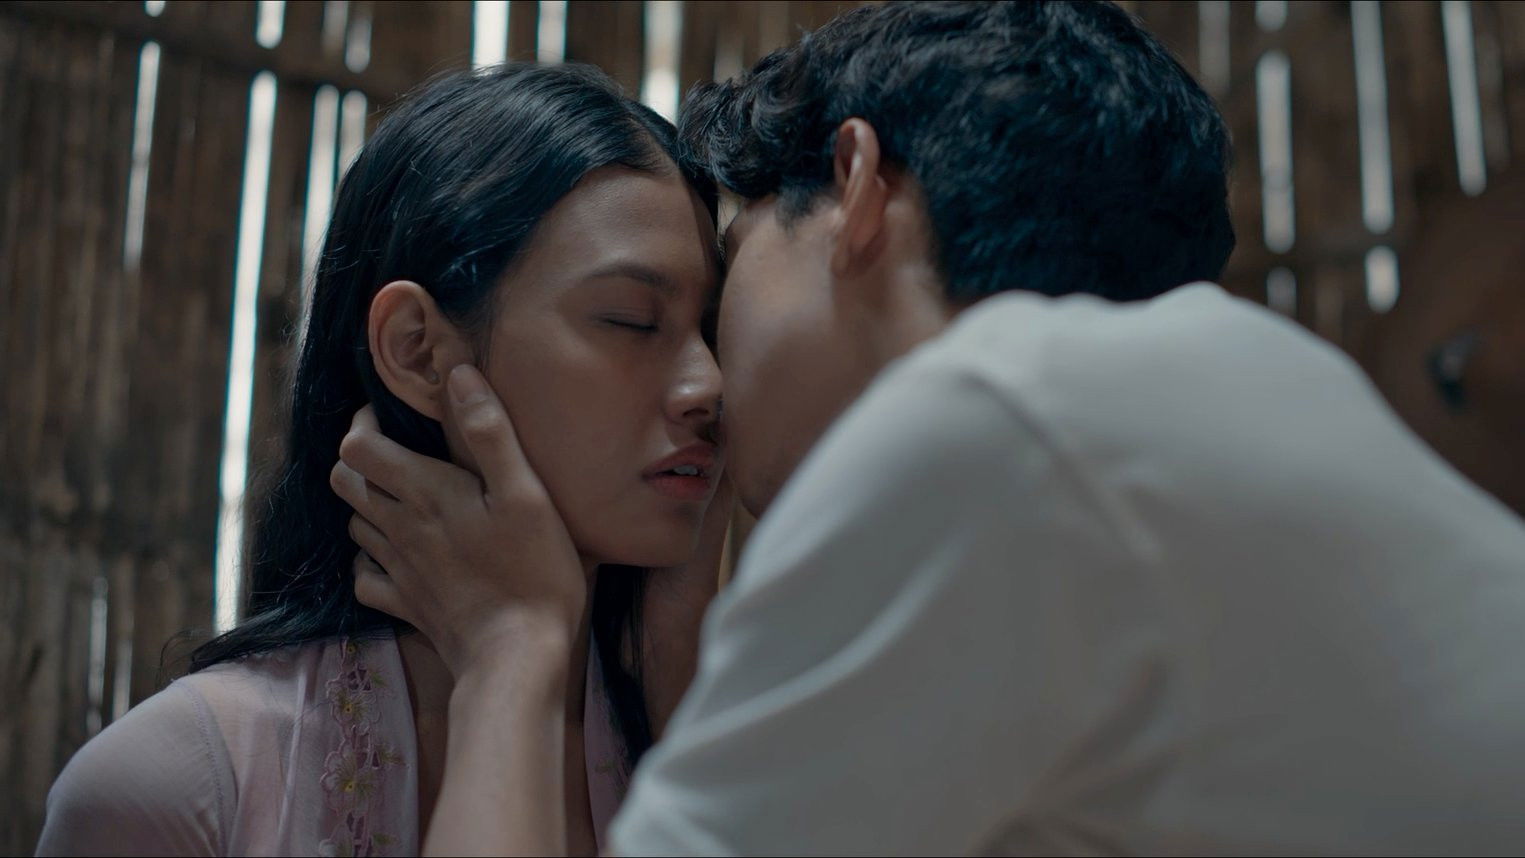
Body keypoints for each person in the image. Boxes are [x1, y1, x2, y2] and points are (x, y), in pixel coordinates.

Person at [336, 1, 1525, 855]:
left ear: (856, 189)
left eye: (730, 275)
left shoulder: (988, 425)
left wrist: (510, 653)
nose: (704, 380)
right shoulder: (1260, 392)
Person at [36, 63, 731, 857]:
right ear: (416, 350)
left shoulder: (698, 746)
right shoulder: (179, 786)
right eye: (631, 320)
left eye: (711, 330)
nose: (707, 384)